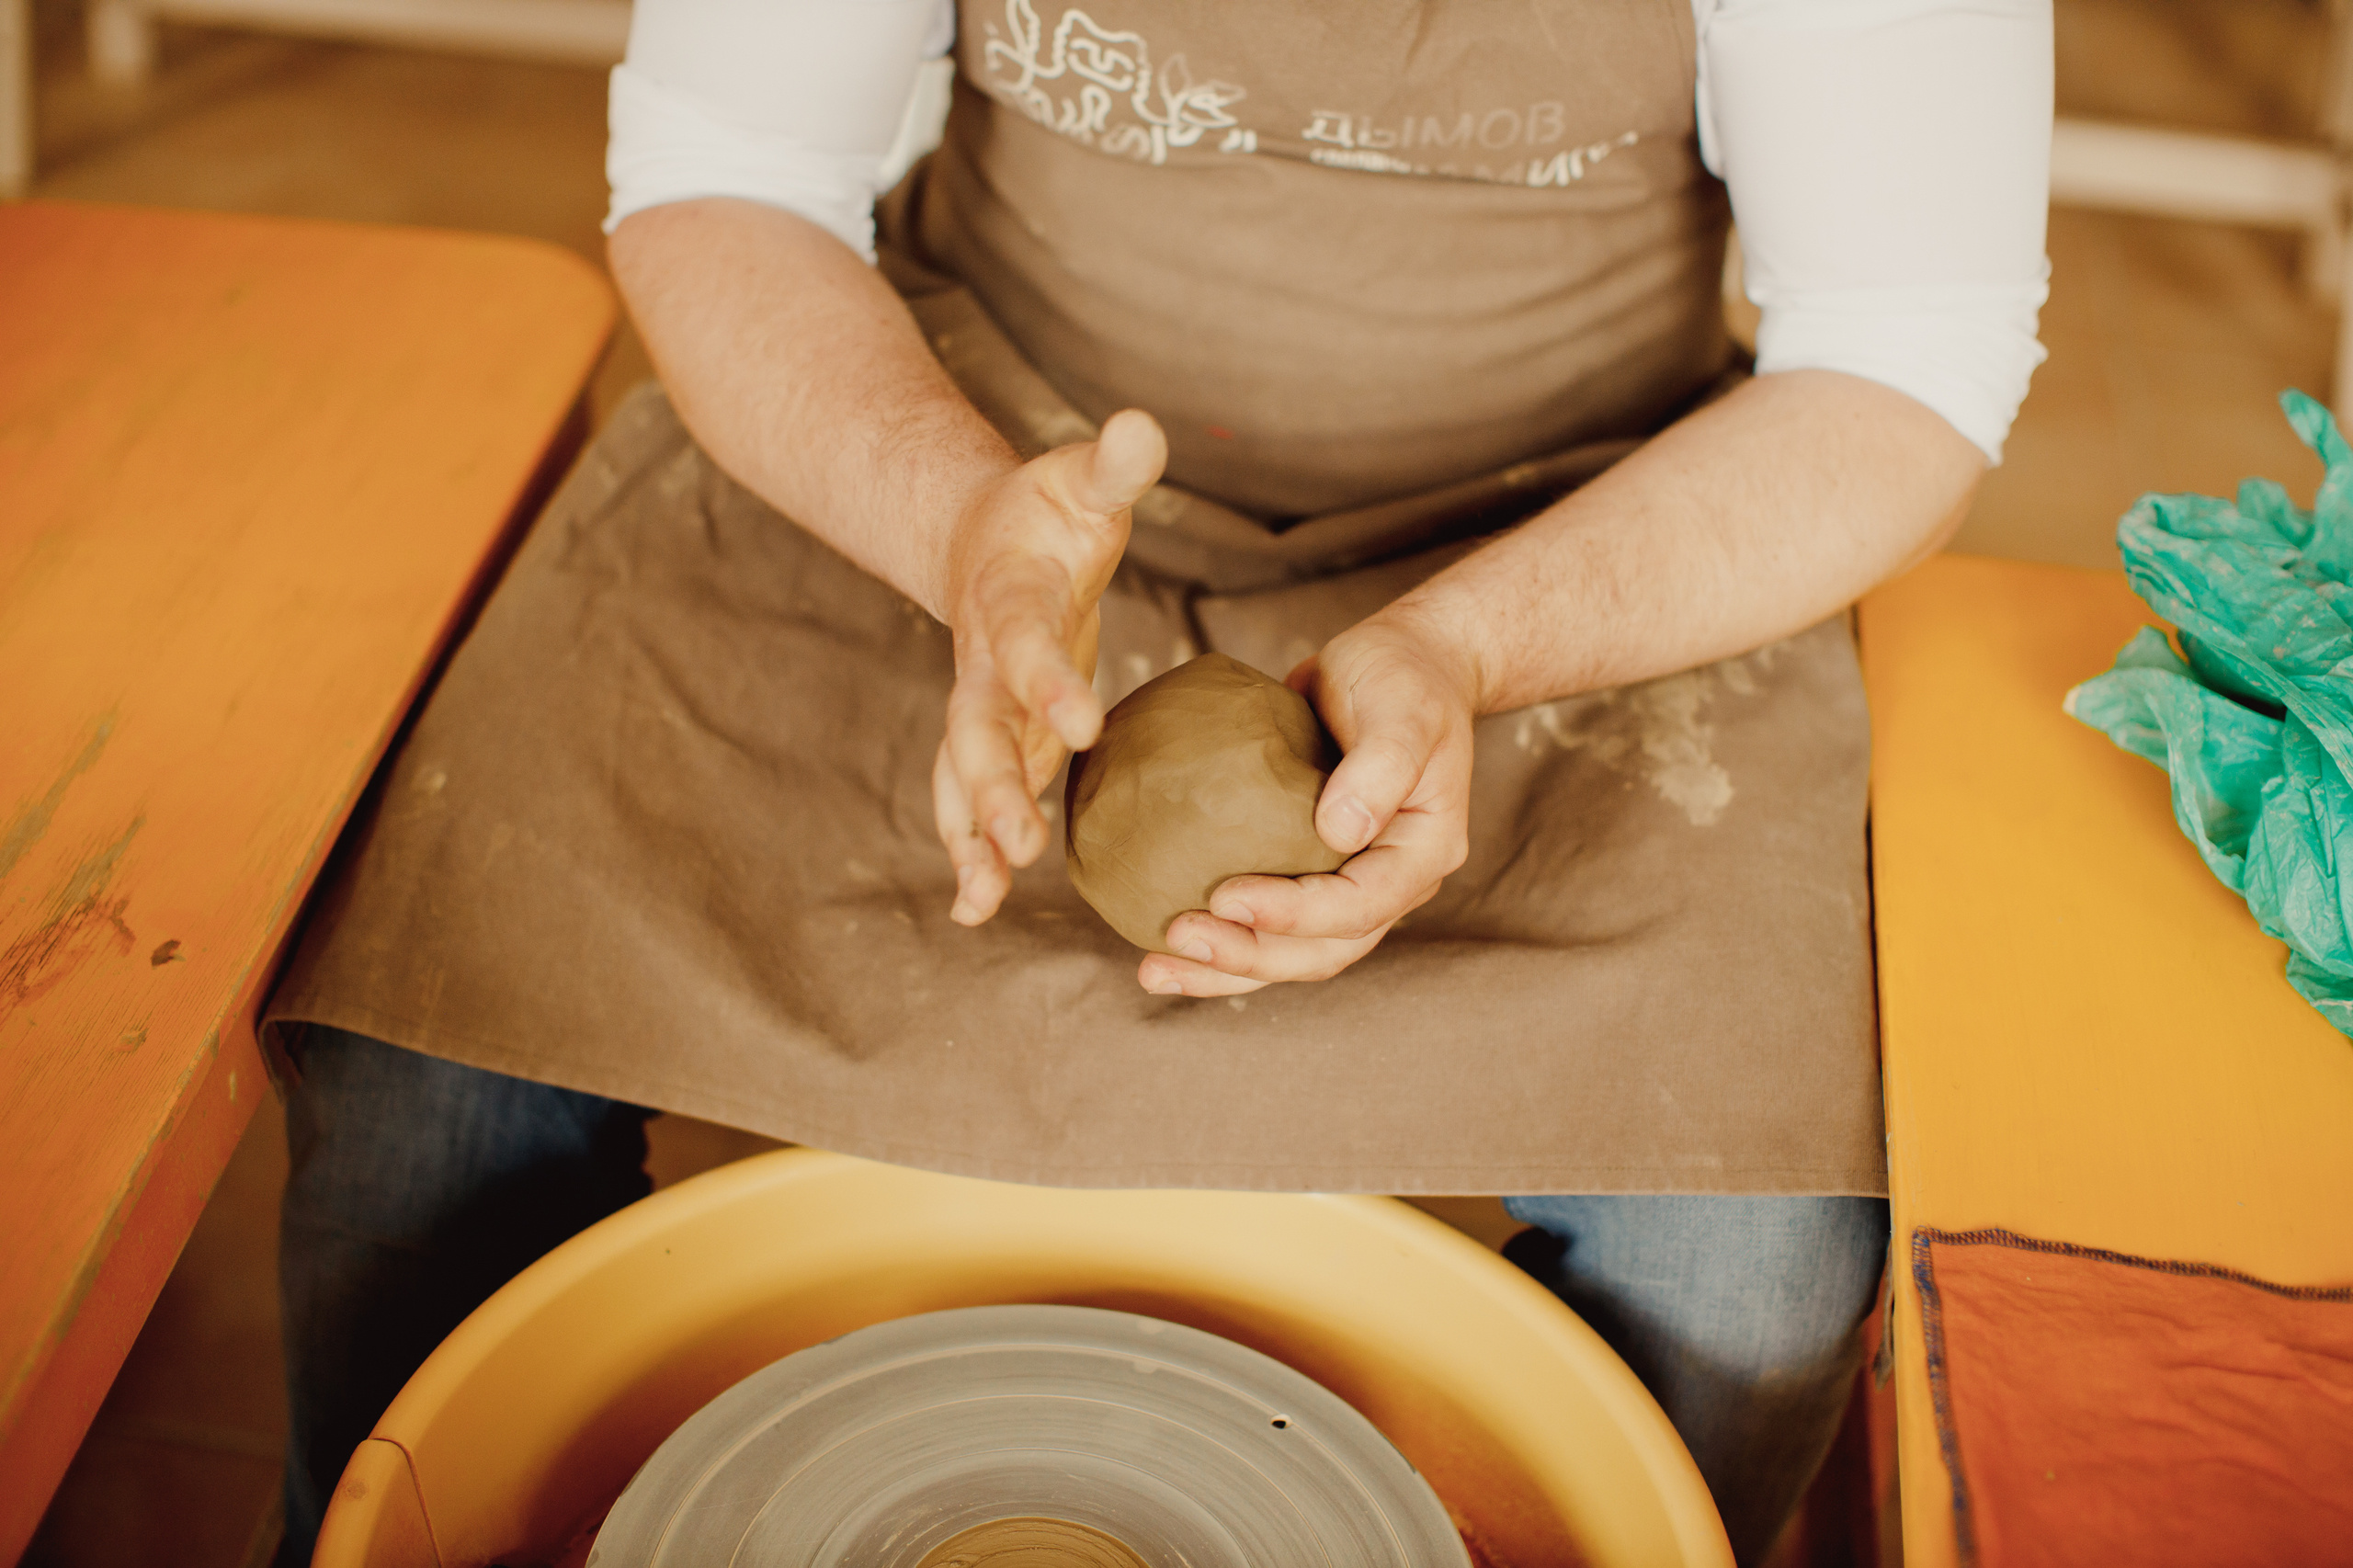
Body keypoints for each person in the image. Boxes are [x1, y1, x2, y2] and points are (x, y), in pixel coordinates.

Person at [268, 2, 2052, 1562]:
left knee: (1745, 1257)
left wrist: (1471, 646)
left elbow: (1896, 362)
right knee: (447, 1034)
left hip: (1569, 534)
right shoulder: (954, 502)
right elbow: (724, 178)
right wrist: (958, 533)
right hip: (964, 466)